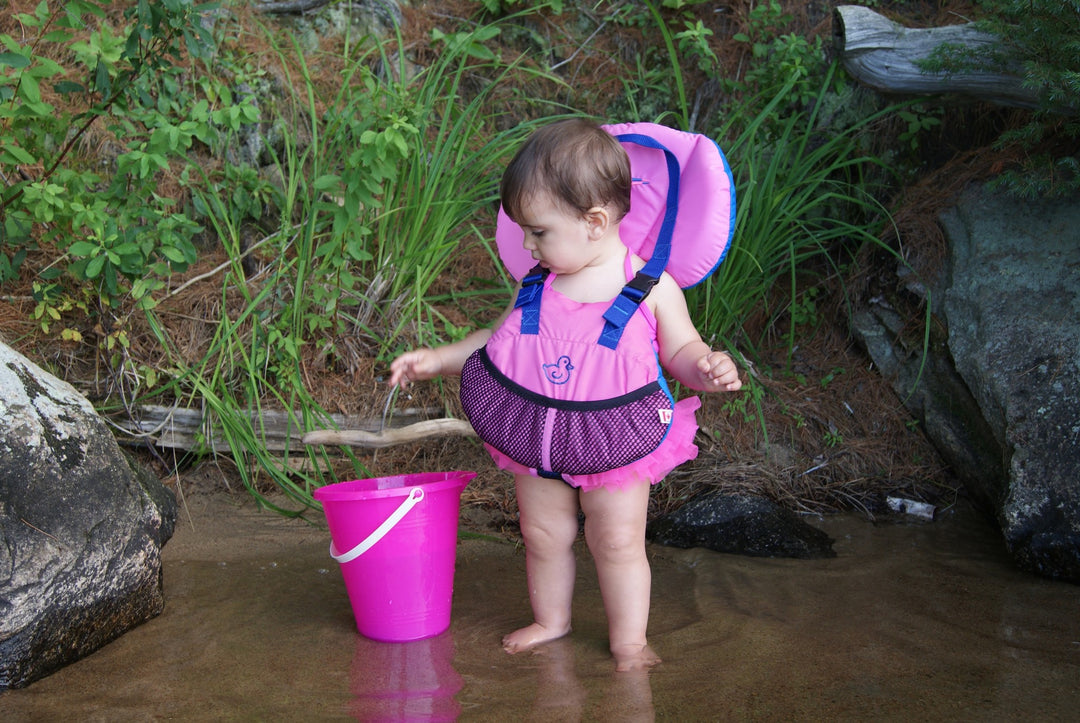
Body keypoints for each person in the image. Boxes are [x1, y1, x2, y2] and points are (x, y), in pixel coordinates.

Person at [389, 118, 742, 671]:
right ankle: (552, 621)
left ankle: (630, 642)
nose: (526, 244)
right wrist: (438, 359)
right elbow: (495, 341)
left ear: (595, 222)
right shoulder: (538, 280)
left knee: (617, 542)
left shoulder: (651, 287)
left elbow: (680, 353)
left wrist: (706, 367)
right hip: (537, 437)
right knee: (542, 534)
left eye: (539, 231)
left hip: (614, 439)